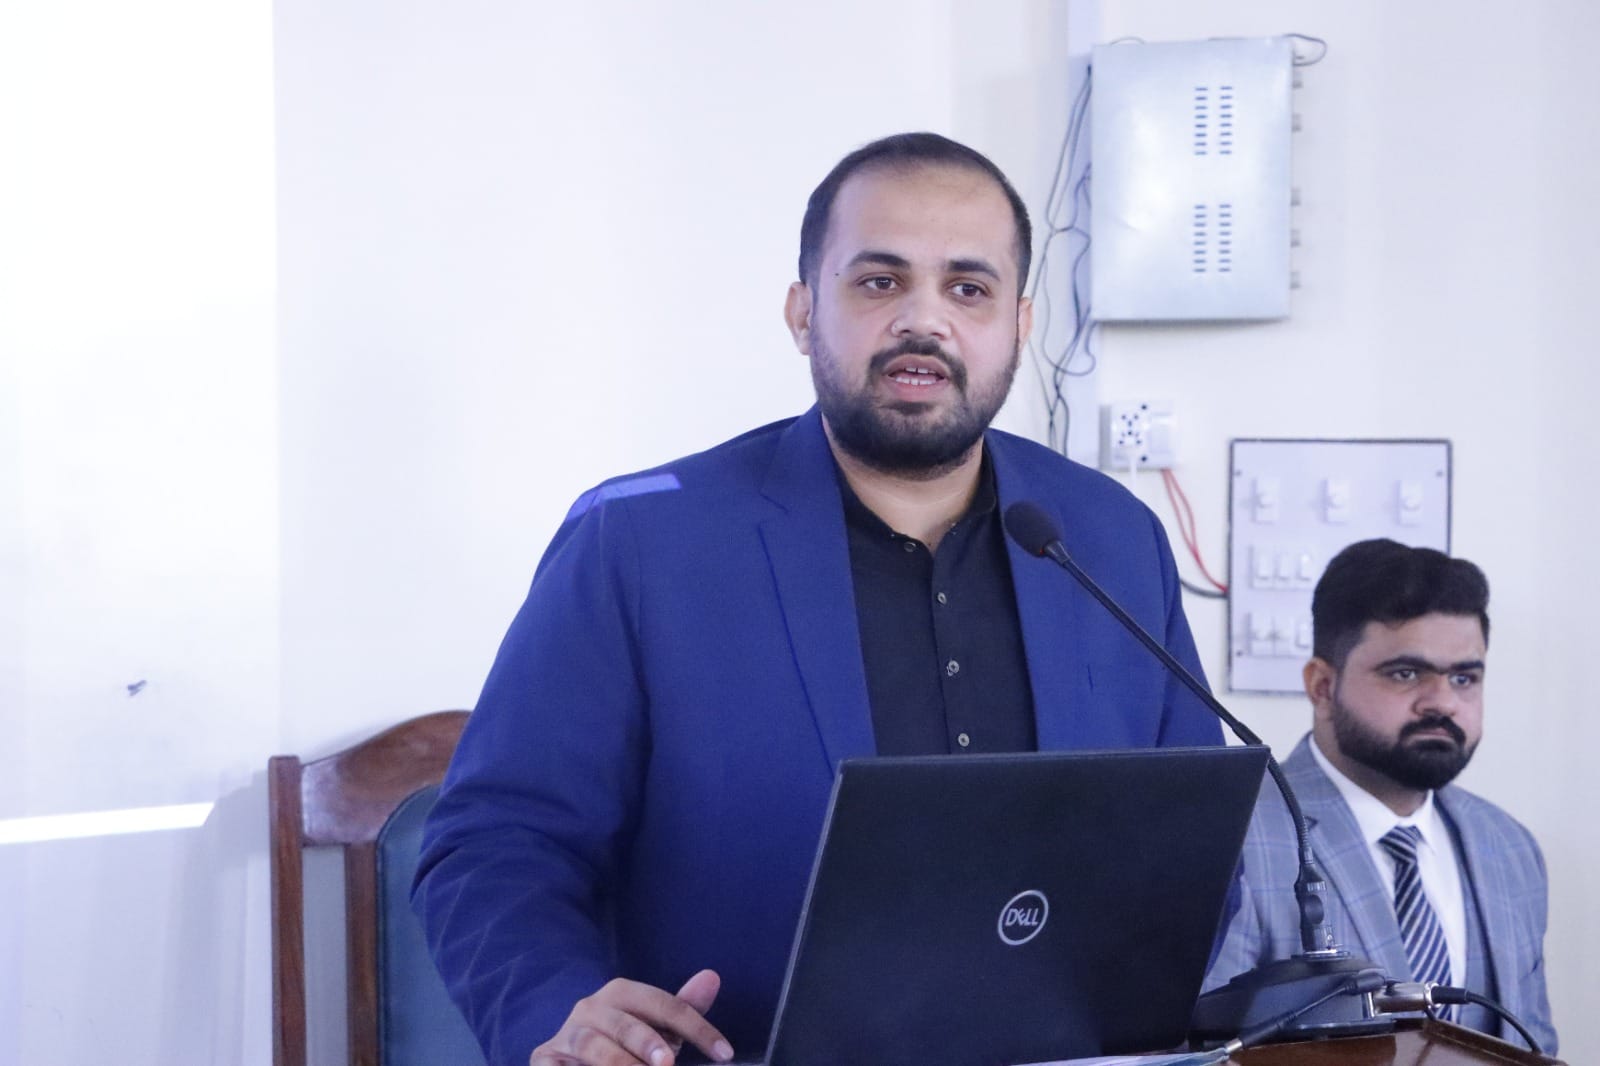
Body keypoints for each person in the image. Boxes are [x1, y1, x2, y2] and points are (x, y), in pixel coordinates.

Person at [414, 132, 1222, 1066]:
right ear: (803, 313)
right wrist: (562, 1013)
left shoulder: (1110, 540)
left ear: (1020, 324)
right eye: (879, 281)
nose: (924, 320)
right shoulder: (640, 544)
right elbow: (496, 845)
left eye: (969, 289)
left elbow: (1198, 841)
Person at [1205, 539, 1556, 1053]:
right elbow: (1202, 1056)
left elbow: (1536, 1046)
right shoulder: (1234, 835)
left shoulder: (1510, 848)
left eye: (1464, 677)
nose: (1442, 702)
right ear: (1322, 687)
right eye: (1405, 674)